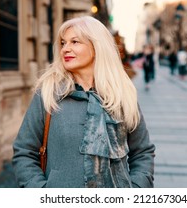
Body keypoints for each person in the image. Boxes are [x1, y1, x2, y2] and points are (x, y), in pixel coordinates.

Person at [12, 16, 155, 188]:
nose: (66, 49)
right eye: (63, 43)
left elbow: (142, 152)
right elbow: (24, 152)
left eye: (75, 42)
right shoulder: (48, 93)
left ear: (97, 46)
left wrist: (137, 189)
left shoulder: (121, 95)